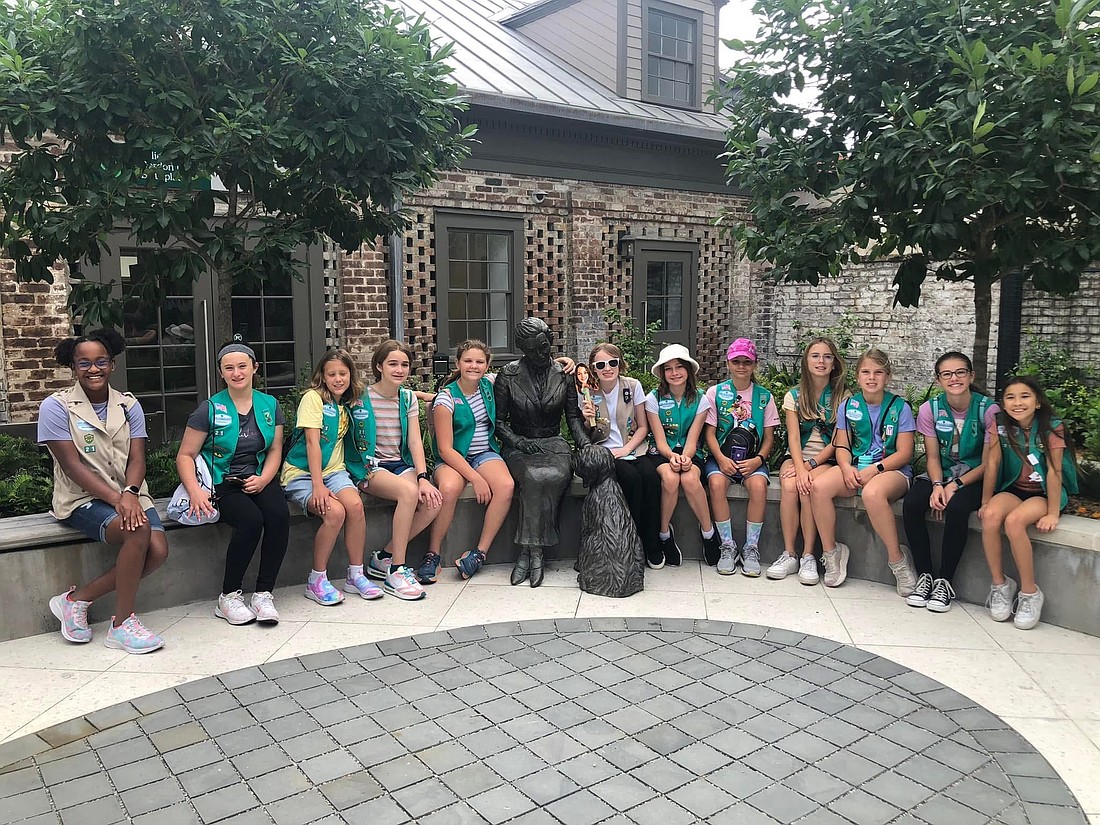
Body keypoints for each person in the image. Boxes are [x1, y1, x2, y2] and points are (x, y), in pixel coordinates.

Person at [39, 329, 168, 653]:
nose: (93, 369)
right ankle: (122, 625)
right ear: (73, 365)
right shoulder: (57, 408)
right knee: (137, 532)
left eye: (100, 362)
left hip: (130, 492)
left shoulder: (127, 406)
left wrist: (130, 493)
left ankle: (76, 600)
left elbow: (138, 458)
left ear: (111, 364)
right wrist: (118, 500)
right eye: (84, 363)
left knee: (159, 551)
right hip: (82, 498)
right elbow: (72, 467)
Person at [178, 341, 289, 624]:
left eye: (242, 366)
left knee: (278, 515)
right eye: (229, 368)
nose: (237, 373)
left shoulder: (270, 404)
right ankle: (228, 596)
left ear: (254, 368)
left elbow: (275, 449)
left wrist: (265, 479)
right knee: (251, 521)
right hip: (223, 481)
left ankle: (264, 593)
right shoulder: (209, 409)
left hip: (259, 477)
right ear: (221, 372)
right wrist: (196, 492)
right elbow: (186, 455)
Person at [809, 347, 918, 594]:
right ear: (857, 377)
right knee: (819, 487)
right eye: (866, 372)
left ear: (887, 377)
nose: (872, 377)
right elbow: (843, 445)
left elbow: (904, 453)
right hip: (857, 466)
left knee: (872, 494)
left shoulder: (899, 407)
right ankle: (832, 552)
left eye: (878, 372)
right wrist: (846, 467)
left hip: (892, 470)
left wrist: (876, 469)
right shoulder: (848, 406)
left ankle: (898, 560)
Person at [494, 318, 591, 587]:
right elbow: (499, 423)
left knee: (555, 475)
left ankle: (527, 553)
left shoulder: (563, 374)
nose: (540, 355)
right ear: (523, 349)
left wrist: (585, 444)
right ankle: (535, 553)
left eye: (544, 348)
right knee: (534, 477)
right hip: (519, 444)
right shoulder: (508, 375)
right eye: (533, 350)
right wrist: (518, 442)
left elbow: (572, 417)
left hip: (553, 443)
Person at [281, 349, 380, 607]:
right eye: (332, 374)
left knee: (356, 506)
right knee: (334, 513)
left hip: (334, 471)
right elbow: (313, 443)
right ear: (322, 377)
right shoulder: (313, 399)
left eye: (343, 373)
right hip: (303, 473)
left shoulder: (346, 402)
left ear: (350, 375)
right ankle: (316, 580)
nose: (338, 379)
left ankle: (355, 575)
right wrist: (317, 486)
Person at [978, 376, 1077, 630]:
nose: (1017, 403)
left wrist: (1053, 512)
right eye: (1010, 397)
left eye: (1025, 396)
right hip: (1014, 487)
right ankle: (1000, 585)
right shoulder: (999, 424)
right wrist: (986, 500)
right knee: (990, 516)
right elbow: (993, 463)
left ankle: (1030, 592)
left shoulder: (1051, 427)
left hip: (1043, 493)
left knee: (1014, 522)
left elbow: (1055, 472)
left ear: (1038, 402)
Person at [902, 352, 998, 613]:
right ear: (939, 379)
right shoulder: (929, 409)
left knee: (956, 509)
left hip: (974, 476)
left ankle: (945, 580)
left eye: (960, 372)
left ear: (971, 375)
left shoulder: (988, 410)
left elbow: (988, 463)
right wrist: (936, 485)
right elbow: (932, 456)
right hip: (941, 473)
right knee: (912, 503)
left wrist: (955, 485)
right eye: (947, 374)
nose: (954, 378)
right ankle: (925, 576)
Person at [419, 340, 514, 584]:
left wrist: (563, 362)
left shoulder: (490, 384)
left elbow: (524, 367)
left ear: (488, 365)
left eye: (479, 361)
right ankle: (433, 554)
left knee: (505, 486)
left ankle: (479, 553)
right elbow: (445, 449)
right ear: (458, 363)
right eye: (468, 361)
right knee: (449, 489)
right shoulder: (446, 399)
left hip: (484, 453)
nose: (474, 366)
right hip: (454, 457)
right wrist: (476, 478)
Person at [355, 340, 442, 600]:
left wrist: (423, 477)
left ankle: (383, 557)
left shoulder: (406, 399)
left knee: (433, 501)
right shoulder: (360, 397)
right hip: (369, 466)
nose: (399, 369)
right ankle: (397, 571)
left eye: (404, 364)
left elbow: (415, 441)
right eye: (393, 363)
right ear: (379, 366)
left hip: (398, 463)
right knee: (408, 493)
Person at [768, 337, 847, 584]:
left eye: (827, 356)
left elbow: (837, 442)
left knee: (808, 486)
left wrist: (809, 468)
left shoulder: (843, 397)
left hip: (826, 459)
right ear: (806, 361)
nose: (821, 361)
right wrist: (800, 467)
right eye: (815, 356)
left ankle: (809, 555)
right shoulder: (794, 395)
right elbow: (792, 436)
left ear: (834, 363)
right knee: (791, 486)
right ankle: (789, 553)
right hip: (797, 456)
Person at [577, 343, 661, 567]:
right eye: (601, 364)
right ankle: (632, 543)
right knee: (631, 480)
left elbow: (643, 426)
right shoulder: (587, 391)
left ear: (619, 364)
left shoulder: (632, 386)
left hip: (633, 447)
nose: (607, 368)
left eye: (612, 363)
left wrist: (627, 449)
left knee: (651, 478)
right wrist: (587, 419)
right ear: (593, 368)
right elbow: (587, 434)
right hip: (606, 453)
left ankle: (651, 543)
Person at [702, 338, 779, 576]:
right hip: (721, 457)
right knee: (715, 483)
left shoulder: (764, 396)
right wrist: (721, 459)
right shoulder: (716, 392)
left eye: (747, 362)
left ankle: (751, 547)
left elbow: (768, 437)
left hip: (752, 459)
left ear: (754, 364)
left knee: (758, 486)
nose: (742, 367)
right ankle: (727, 545)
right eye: (737, 361)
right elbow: (710, 433)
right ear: (728, 363)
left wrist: (758, 460)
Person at [642, 344, 715, 567]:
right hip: (660, 452)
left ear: (689, 370)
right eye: (669, 368)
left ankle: (709, 534)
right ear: (662, 373)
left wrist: (686, 457)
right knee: (671, 478)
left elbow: (693, 439)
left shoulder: (701, 399)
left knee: (691, 478)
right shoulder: (652, 399)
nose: (674, 373)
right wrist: (671, 457)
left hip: (690, 453)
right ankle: (664, 534)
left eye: (679, 367)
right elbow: (660, 440)